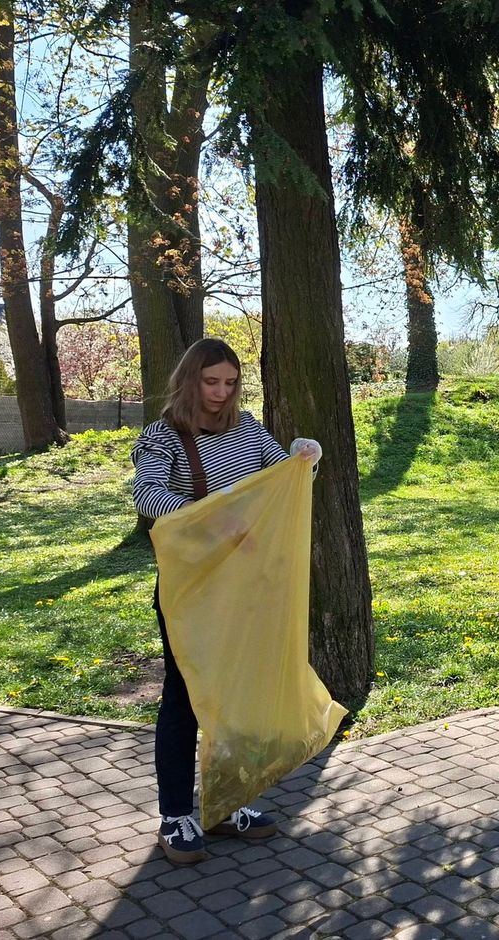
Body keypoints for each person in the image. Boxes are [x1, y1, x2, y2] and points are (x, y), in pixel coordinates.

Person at [131, 337, 322, 864]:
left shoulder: (248, 429)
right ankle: (176, 815)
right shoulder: (162, 437)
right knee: (184, 696)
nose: (220, 392)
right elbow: (147, 495)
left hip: (250, 586)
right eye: (210, 381)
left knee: (241, 694)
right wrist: (219, 518)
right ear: (189, 379)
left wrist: (305, 457)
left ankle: (229, 800)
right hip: (193, 591)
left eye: (230, 382)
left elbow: (284, 477)